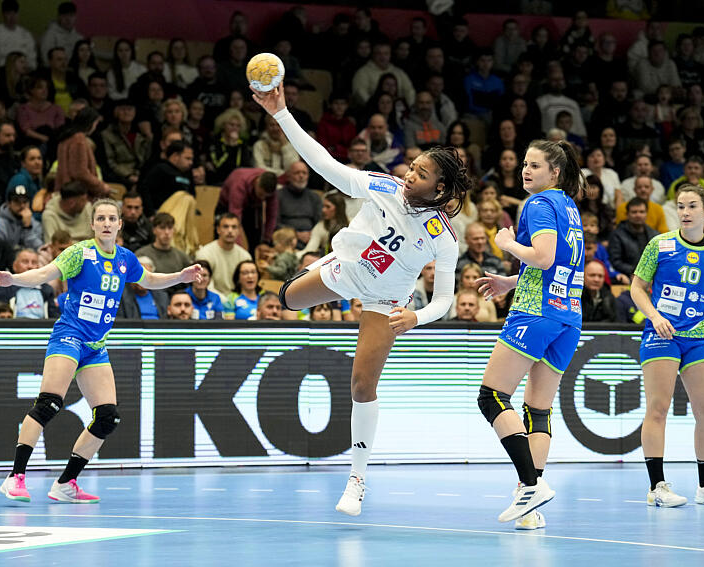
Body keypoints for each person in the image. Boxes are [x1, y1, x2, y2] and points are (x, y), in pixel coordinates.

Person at [252, 83, 469, 517]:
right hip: (345, 270)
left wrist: (417, 316)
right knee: (288, 300)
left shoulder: (444, 239)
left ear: (440, 187)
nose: (410, 175)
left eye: (421, 174)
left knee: (361, 385)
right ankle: (332, 255)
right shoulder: (381, 186)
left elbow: (445, 299)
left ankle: (357, 477)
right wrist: (281, 113)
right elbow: (322, 162)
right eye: (412, 168)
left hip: (385, 300)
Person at [0, 198, 202, 503]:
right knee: (49, 404)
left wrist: (179, 278)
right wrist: (13, 279)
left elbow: (150, 279)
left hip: (95, 347)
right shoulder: (80, 253)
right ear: (92, 224)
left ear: (119, 224)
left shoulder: (126, 258)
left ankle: (66, 484)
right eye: (100, 218)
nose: (106, 223)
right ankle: (15, 477)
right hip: (69, 337)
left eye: (111, 218)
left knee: (107, 417)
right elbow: (44, 273)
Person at [474, 139, 586, 528]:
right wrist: (510, 280)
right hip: (568, 317)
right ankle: (530, 507)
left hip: (535, 314)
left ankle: (529, 485)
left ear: (555, 172)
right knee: (537, 410)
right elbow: (557, 264)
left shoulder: (538, 205)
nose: (526, 170)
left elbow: (543, 257)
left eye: (535, 166)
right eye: (525, 164)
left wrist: (506, 243)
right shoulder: (569, 207)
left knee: (491, 397)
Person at [630, 185, 704, 508]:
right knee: (658, 408)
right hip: (662, 334)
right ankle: (657, 486)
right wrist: (654, 316)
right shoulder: (660, 245)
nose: (685, 212)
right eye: (681, 206)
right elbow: (637, 288)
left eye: (692, 206)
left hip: (699, 337)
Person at [0, 248, 59, 319]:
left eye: (34, 262)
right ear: (15, 266)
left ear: (38, 267)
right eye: (25, 262)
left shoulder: (47, 290)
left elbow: (54, 317)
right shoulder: (3, 287)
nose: (30, 266)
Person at [194, 213, 252, 297]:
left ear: (239, 230)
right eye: (225, 226)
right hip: (212, 300)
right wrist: (224, 301)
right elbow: (205, 285)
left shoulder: (245, 256)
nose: (230, 231)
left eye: (234, 227)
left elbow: (247, 286)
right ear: (218, 229)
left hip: (238, 301)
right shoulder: (205, 253)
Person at [609, 198, 659, 279]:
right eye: (634, 212)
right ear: (627, 214)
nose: (638, 215)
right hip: (626, 277)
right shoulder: (617, 235)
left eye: (642, 212)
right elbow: (615, 261)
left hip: (652, 278)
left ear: (646, 214)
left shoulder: (655, 235)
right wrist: (636, 272)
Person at [0, 0, 36, 70]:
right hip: (3, 72)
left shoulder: (26, 34)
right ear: (2, 14)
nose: (12, 17)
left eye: (15, 13)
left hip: (25, 71)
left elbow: (32, 59)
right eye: (9, 13)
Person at [0, 184, 43, 250]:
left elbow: (39, 248)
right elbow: (1, 249)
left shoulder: (35, 223)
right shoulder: (0, 223)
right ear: (8, 204)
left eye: (25, 202)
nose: (22, 206)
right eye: (17, 202)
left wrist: (27, 228)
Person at [39, 1, 82, 65]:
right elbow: (46, 60)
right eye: (64, 16)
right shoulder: (49, 35)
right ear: (59, 17)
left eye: (71, 15)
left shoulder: (79, 38)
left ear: (75, 17)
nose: (68, 19)